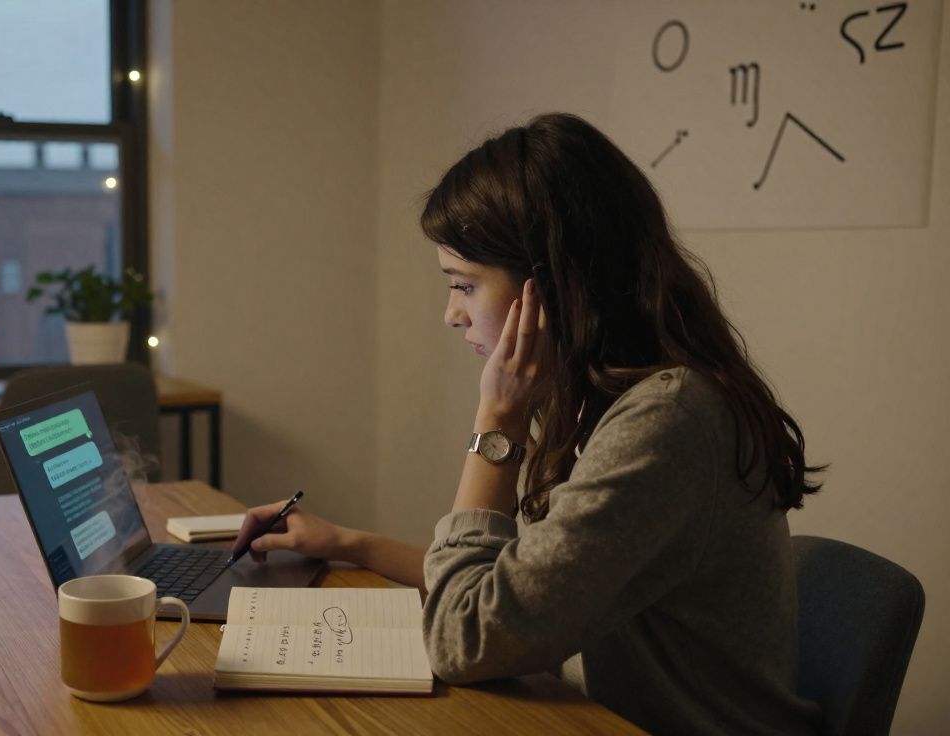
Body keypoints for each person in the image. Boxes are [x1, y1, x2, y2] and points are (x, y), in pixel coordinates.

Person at [232, 113, 825, 735]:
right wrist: (348, 544)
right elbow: (521, 580)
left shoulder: (665, 421)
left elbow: (465, 639)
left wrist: (497, 425)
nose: (451, 315)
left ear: (556, 289)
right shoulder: (616, 398)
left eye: (463, 285)